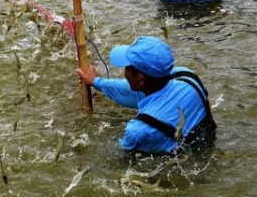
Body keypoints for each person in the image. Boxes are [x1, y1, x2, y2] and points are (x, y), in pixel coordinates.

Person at [76, 36, 216, 156]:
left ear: (141, 79)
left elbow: (115, 151)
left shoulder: (138, 130)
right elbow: (128, 90)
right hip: (209, 145)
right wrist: (95, 82)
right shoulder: (186, 76)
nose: (124, 72)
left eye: (127, 68)